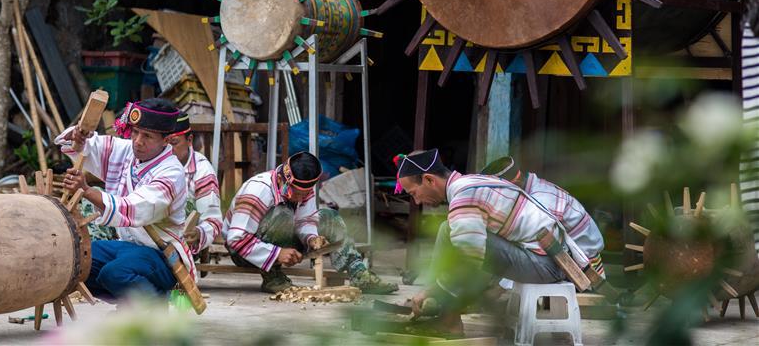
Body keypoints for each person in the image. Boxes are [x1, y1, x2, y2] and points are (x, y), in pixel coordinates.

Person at [395, 150, 590, 330]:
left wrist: (431, 290)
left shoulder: (464, 195)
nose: (417, 201)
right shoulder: (471, 182)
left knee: (458, 242)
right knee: (453, 232)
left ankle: (449, 320)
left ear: (429, 180)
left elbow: (469, 259)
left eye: (413, 193)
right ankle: (448, 315)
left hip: (548, 265)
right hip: (548, 260)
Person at [56, 98, 194, 301]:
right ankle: (133, 305)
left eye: (147, 136)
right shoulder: (127, 151)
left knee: (114, 273)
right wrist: (80, 137)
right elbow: (89, 146)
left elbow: (134, 209)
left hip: (162, 256)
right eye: (135, 132)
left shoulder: (171, 173)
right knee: (76, 261)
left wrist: (86, 190)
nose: (138, 141)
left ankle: (153, 306)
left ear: (166, 140)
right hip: (128, 247)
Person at [223, 151, 397, 294]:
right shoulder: (258, 190)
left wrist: (312, 238)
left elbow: (305, 219)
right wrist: (277, 254)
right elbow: (236, 240)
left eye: (305, 193)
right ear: (285, 181)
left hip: (279, 241)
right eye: (297, 193)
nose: (301, 197)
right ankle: (273, 278)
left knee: (330, 216)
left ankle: (359, 273)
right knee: (282, 212)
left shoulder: (304, 189)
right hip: (244, 252)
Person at [480, 156, 605, 276]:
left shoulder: (541, 198)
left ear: (516, 183)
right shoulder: (531, 190)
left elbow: (539, 246)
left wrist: (501, 288)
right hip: (564, 254)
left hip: (580, 265)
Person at [164, 111, 222, 254]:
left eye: (174, 143)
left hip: (183, 245)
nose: (168, 150)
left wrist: (197, 233)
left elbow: (212, 220)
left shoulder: (202, 170)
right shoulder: (154, 161)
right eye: (164, 143)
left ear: (189, 140)